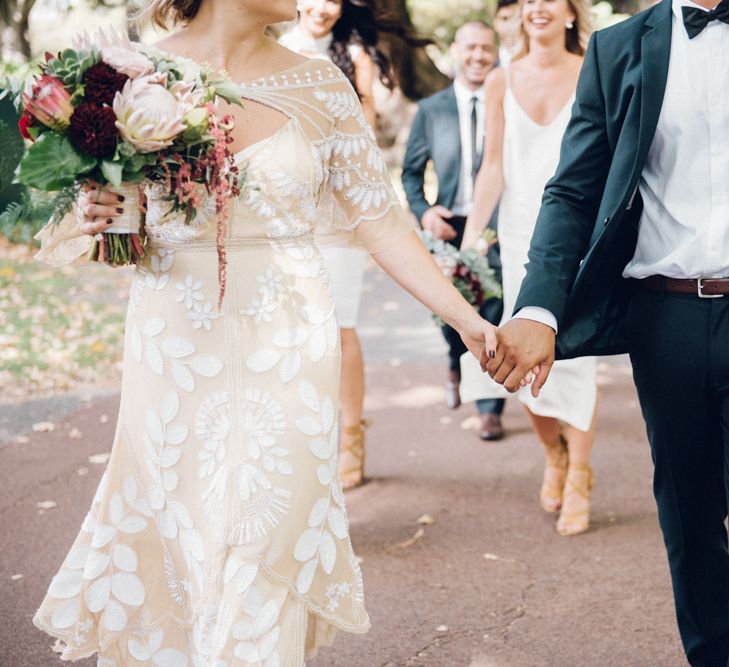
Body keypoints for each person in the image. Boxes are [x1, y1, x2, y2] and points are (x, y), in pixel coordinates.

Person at [30, 0, 499, 663]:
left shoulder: (319, 83)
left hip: (289, 347)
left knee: (263, 536)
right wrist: (100, 209)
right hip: (172, 347)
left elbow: (379, 219)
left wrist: (467, 317)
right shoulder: (125, 77)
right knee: (179, 532)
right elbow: (96, 222)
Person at [484, 0, 729, 662]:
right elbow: (573, 189)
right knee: (689, 509)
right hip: (666, 314)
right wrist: (537, 308)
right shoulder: (620, 47)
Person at [460, 0, 598, 536]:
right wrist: (473, 240)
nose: (538, 7)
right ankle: (554, 453)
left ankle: (581, 474)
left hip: (581, 237)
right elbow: (492, 166)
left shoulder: (594, 70)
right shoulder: (499, 80)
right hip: (519, 238)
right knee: (518, 362)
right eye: (530, 0)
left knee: (576, 358)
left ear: (570, 12)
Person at [280, 0, 430, 489]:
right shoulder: (274, 50)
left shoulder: (354, 56)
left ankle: (351, 436)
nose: (322, 7)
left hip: (338, 209)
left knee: (340, 323)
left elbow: (363, 133)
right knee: (292, 327)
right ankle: (303, 436)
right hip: (287, 206)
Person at [401, 21, 506, 441]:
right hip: (447, 226)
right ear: (457, 53)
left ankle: (488, 406)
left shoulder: (506, 102)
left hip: (495, 224)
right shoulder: (432, 109)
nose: (479, 56)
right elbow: (410, 173)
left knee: (493, 307)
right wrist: (425, 213)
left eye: (486, 49)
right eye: (471, 49)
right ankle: (453, 358)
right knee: (450, 310)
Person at [493, 0, 519, 67]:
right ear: (495, 23)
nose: (510, 24)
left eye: (516, 19)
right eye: (505, 19)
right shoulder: (489, 62)